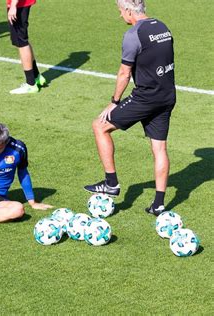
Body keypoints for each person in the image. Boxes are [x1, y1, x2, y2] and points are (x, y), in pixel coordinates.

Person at [84, 0, 176, 216]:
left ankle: (111, 183)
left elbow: (124, 73)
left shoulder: (133, 35)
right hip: (167, 96)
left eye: (120, 11)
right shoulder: (163, 27)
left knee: (99, 126)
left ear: (128, 11)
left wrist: (114, 101)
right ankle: (159, 204)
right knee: (160, 149)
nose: (120, 16)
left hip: (145, 98)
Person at [7, 0, 45, 94]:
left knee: (21, 42)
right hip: (21, 3)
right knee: (23, 40)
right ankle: (36, 76)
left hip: (19, 4)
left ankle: (30, 84)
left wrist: (13, 6)